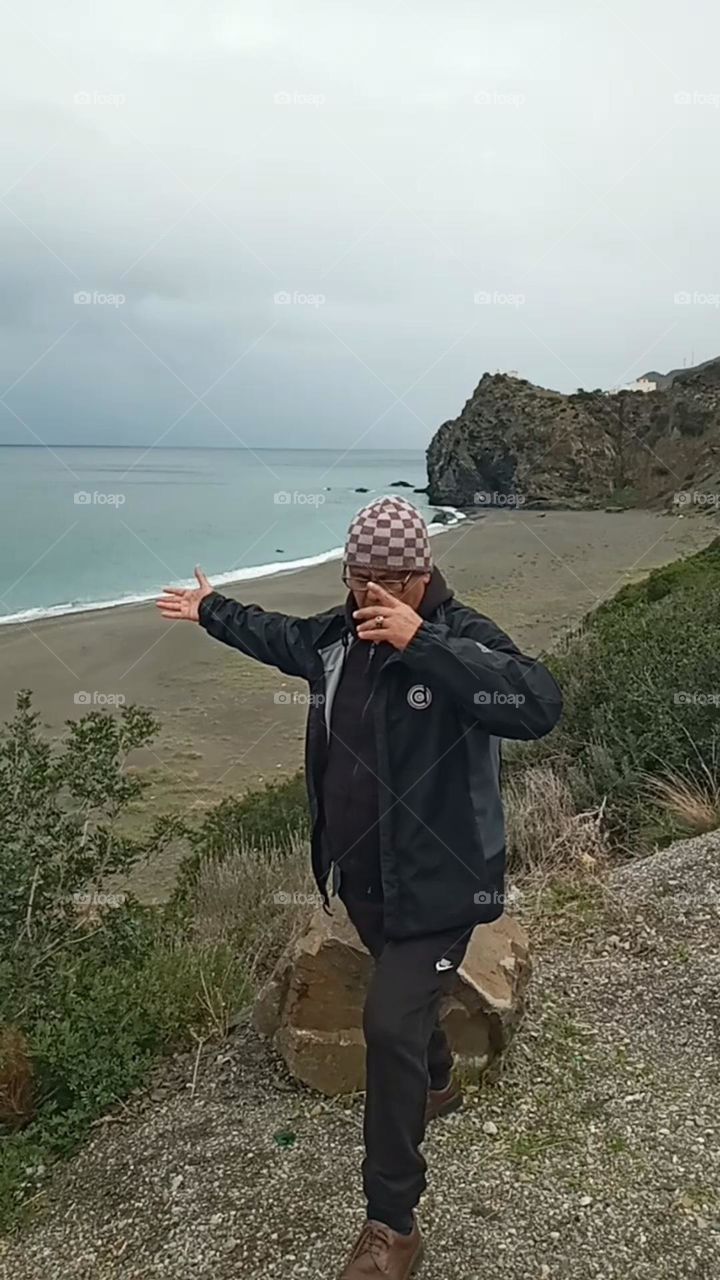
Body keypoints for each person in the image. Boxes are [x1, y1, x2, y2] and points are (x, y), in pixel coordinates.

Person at [157, 495, 562, 1279]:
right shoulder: (338, 638)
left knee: (385, 1022)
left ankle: (392, 1224)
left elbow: (539, 702)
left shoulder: (461, 636)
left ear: (422, 574)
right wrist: (211, 609)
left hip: (444, 888)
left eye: (388, 579)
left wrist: (425, 644)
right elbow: (277, 636)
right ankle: (437, 1080)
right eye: (358, 574)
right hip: (365, 881)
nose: (369, 592)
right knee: (408, 1020)